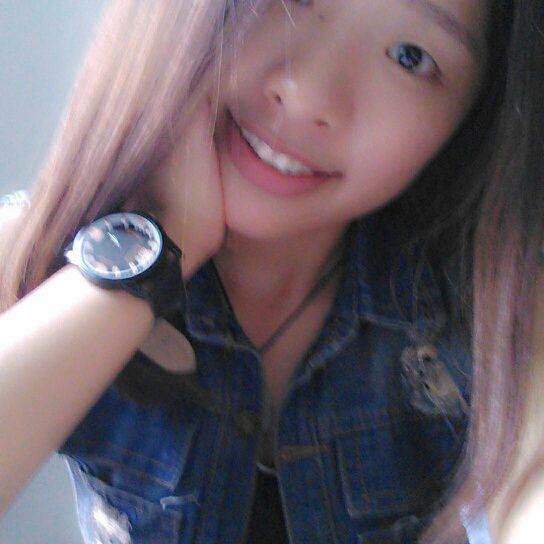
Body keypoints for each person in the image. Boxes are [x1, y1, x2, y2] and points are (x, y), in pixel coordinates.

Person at [0, 0, 541, 542]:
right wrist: (154, 247)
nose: (307, 96)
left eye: (409, 56)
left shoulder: (498, 305)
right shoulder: (35, 247)